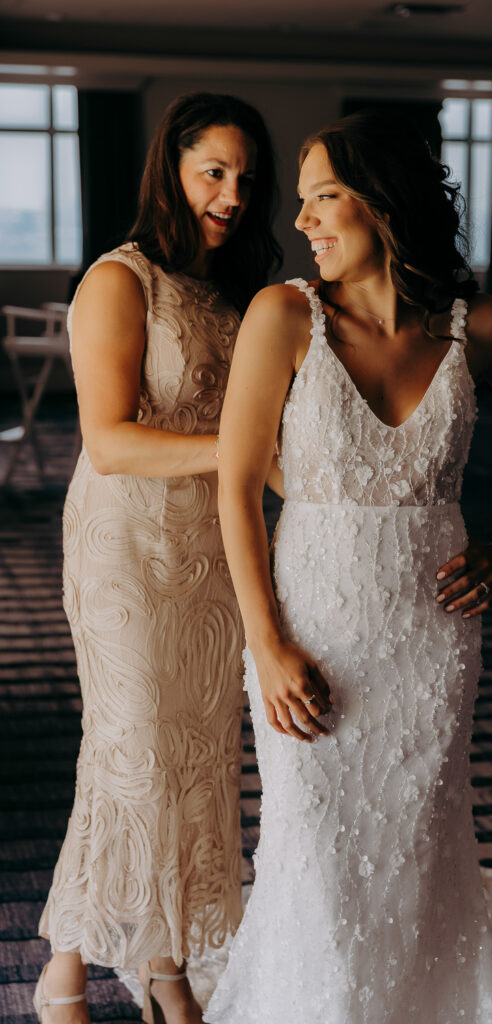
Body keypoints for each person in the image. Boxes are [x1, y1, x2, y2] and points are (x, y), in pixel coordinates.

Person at [205, 110, 492, 1024]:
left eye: (322, 198)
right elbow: (237, 486)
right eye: (301, 203)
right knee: (314, 837)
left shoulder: (481, 326)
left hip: (432, 637)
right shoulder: (281, 316)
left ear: (382, 202)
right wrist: (267, 645)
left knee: (417, 832)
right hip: (311, 628)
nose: (303, 222)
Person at [33, 92, 282, 1024]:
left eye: (244, 177)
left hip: (212, 552)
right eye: (213, 170)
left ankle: (165, 963)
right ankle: (70, 967)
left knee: (193, 761)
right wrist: (246, 453)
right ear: (171, 169)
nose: (231, 192)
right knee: (130, 751)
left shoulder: (229, 294)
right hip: (125, 548)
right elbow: (107, 440)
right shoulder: (118, 280)